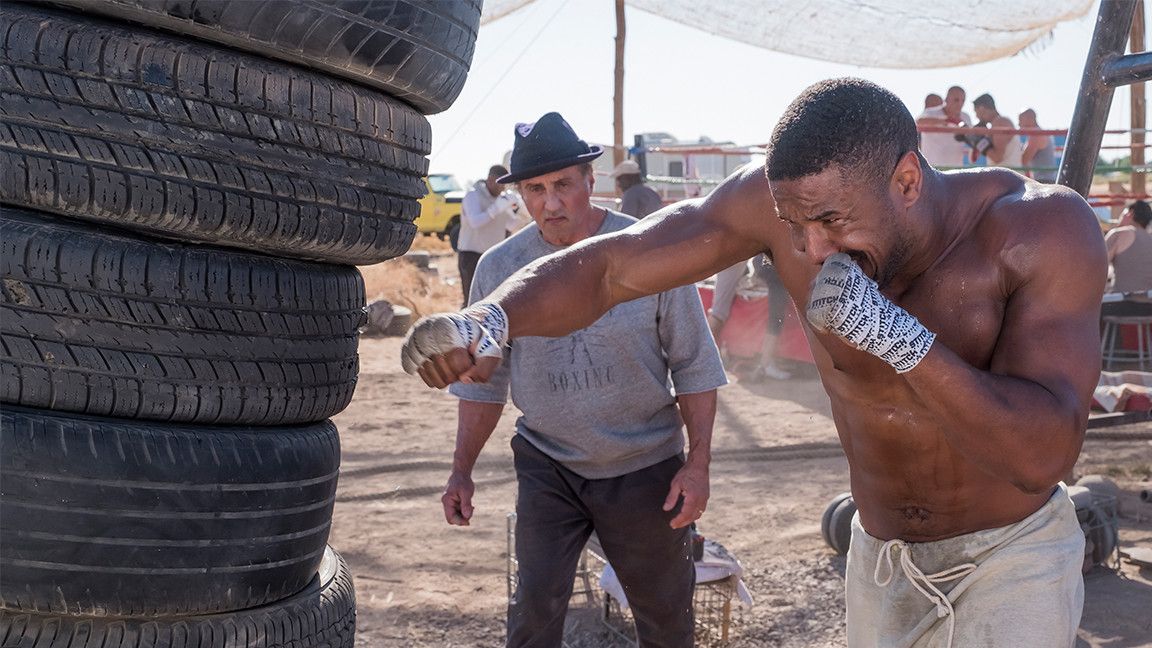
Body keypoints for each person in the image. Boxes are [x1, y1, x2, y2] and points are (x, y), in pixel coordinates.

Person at [402, 78, 1106, 648]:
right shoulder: (784, 210)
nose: (809, 250)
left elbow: (1041, 454)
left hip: (1010, 558)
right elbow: (613, 269)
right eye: (792, 225)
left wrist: (906, 344)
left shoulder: (1037, 228)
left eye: (831, 221)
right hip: (882, 558)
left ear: (908, 181)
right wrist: (491, 317)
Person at [423, 112, 727, 648]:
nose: (551, 202)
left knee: (664, 617)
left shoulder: (647, 251)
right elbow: (485, 384)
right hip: (549, 464)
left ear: (592, 180)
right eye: (535, 189)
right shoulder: (499, 269)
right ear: (520, 195)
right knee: (534, 611)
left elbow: (694, 363)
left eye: (563, 184)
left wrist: (698, 464)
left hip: (644, 468)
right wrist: (460, 471)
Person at [708, 254, 793, 380]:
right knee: (719, 312)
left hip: (751, 257)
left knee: (719, 311)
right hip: (747, 256)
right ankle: (766, 363)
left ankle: (708, 359)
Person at [457, 164, 521, 304]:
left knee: (492, 300)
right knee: (472, 301)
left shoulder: (501, 199)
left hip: (494, 256)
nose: (503, 188)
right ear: (491, 180)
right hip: (471, 255)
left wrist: (517, 210)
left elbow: (511, 225)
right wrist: (496, 208)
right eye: (501, 184)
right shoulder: (472, 195)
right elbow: (475, 222)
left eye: (506, 185)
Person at [1102, 200, 1152, 317]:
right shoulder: (1150, 239)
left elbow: (1096, 268)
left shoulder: (1119, 234)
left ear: (1130, 213)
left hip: (1122, 305)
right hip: (1149, 307)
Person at [915, 85, 972, 169]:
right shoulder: (931, 113)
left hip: (956, 170)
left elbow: (971, 139)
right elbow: (918, 122)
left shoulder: (966, 117)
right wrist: (946, 121)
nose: (960, 104)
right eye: (956, 100)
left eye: (962, 100)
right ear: (947, 99)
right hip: (932, 169)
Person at [967, 93, 1024, 169]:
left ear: (981, 108)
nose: (976, 116)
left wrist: (979, 142)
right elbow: (974, 158)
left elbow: (997, 157)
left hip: (1007, 176)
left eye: (975, 111)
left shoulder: (1000, 122)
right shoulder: (996, 124)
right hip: (1005, 175)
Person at [1018, 108, 1058, 183]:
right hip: (1046, 180)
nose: (1019, 124)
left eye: (1020, 119)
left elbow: (1024, 160)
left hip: (1044, 181)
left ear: (1029, 119)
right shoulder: (1038, 133)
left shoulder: (1036, 135)